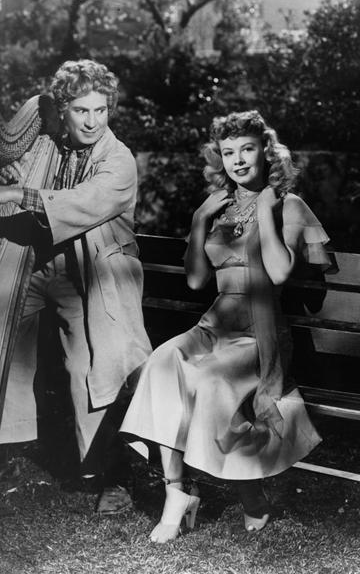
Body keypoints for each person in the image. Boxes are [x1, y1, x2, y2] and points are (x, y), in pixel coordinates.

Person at [119, 110, 332, 543]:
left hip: (259, 332)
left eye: (247, 149)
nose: (237, 160)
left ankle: (250, 494)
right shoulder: (220, 208)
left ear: (265, 152)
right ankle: (176, 492)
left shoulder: (288, 205)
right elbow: (197, 280)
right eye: (228, 152)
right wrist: (199, 220)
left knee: (208, 381)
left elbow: (278, 273)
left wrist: (267, 212)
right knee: (161, 364)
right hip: (215, 325)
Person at [0, 59, 151, 514]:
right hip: (38, 266)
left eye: (100, 110)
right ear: (63, 111)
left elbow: (84, 202)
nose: (92, 121)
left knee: (91, 368)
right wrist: (10, 176)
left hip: (92, 273)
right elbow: (21, 173)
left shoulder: (118, 160)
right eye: (81, 111)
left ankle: (112, 474)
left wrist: (15, 193)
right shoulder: (52, 145)